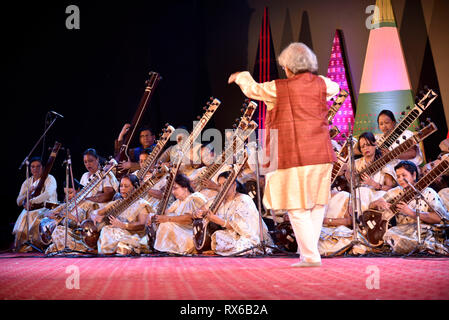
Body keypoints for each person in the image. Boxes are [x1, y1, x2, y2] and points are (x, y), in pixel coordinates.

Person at [228, 42, 339, 267]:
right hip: (320, 152)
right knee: (317, 204)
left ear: (288, 67)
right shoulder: (323, 84)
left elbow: (252, 90)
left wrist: (241, 76)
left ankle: (310, 256)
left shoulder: (278, 88)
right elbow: (335, 88)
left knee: (296, 205)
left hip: (291, 154)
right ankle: (308, 254)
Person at [369, 161, 449, 255]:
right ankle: (423, 248)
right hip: (403, 231)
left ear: (414, 175)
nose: (401, 179)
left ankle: (429, 246)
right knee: (390, 235)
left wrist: (411, 212)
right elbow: (371, 205)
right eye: (398, 176)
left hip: (426, 231)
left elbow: (439, 218)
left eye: (404, 175)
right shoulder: (396, 191)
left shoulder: (428, 192)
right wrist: (379, 203)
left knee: (394, 237)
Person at [194, 171, 273, 256]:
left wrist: (219, 221)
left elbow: (244, 228)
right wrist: (198, 213)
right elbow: (197, 212)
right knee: (218, 236)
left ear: (234, 185)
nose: (221, 188)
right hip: (231, 235)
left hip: (248, 237)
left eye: (224, 184)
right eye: (219, 185)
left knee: (244, 245)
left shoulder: (243, 199)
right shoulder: (218, 200)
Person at [150, 173, 207, 255]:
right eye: (172, 189)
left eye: (175, 188)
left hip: (194, 237)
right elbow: (165, 214)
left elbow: (189, 219)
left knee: (166, 224)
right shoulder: (177, 202)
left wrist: (167, 219)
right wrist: (155, 217)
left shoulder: (195, 197)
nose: (173, 192)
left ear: (185, 188)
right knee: (164, 222)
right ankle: (168, 250)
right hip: (181, 234)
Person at [94, 174, 152, 255]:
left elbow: (141, 225)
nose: (122, 189)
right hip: (118, 231)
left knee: (112, 232)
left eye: (126, 186)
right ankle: (118, 249)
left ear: (135, 188)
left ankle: (125, 248)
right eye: (121, 186)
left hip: (134, 235)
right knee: (106, 229)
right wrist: (95, 216)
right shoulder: (118, 202)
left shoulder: (141, 204)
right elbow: (97, 212)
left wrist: (122, 225)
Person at [13, 157, 58, 252]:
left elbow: (47, 194)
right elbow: (19, 201)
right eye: (33, 167)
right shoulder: (27, 182)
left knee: (33, 216)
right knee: (24, 218)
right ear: (30, 169)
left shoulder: (50, 178)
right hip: (30, 209)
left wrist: (32, 201)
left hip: (46, 208)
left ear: (43, 167)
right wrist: (28, 192)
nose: (35, 169)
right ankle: (25, 245)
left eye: (38, 166)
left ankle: (36, 244)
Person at [351, 132, 396, 213]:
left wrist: (374, 184)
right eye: (362, 146)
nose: (365, 148)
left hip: (377, 198)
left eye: (368, 145)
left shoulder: (384, 164)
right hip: (359, 197)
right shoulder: (356, 164)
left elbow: (391, 190)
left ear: (375, 144)